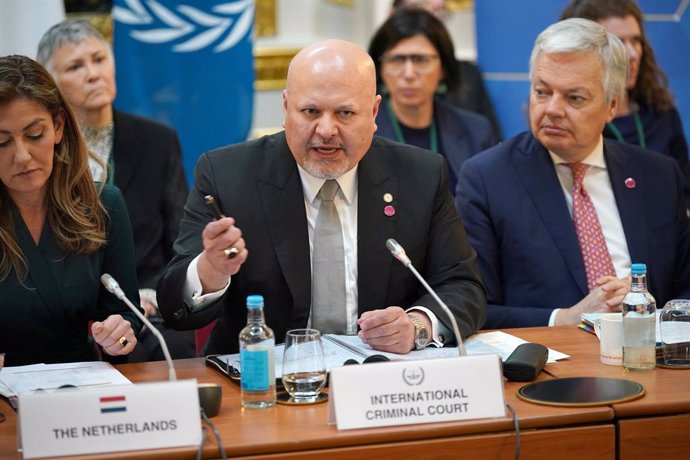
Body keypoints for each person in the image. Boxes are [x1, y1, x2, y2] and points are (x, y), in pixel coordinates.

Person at [157, 39, 486, 355]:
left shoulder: (421, 175)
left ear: (373, 113)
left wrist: (416, 326)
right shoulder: (226, 174)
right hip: (263, 383)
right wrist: (210, 271)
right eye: (311, 111)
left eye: (344, 113)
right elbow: (176, 312)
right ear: (286, 108)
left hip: (379, 380)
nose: (326, 130)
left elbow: (463, 288)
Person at [455, 19, 690, 329]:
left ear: (611, 106)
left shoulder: (657, 176)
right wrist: (564, 318)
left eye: (574, 98)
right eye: (542, 91)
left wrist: (652, 317)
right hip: (551, 366)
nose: (552, 108)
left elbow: (684, 288)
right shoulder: (487, 179)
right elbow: (471, 307)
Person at [36, 20, 195, 361]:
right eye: (76, 66)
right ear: (51, 84)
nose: (93, 73)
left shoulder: (157, 141)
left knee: (175, 346)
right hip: (68, 315)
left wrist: (153, 295)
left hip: (145, 310)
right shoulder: (40, 152)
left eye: (99, 59)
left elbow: (182, 242)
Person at [0, 55, 141, 366]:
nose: (22, 157)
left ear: (59, 126)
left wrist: (119, 336)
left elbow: (126, 315)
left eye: (35, 135)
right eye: (2, 142)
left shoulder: (104, 205)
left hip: (81, 389)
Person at [561, 0, 690, 206]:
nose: (632, 54)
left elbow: (684, 193)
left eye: (636, 40)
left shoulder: (661, 112)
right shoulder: (568, 124)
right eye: (618, 42)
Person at [369, 8, 497, 196]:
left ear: (444, 67)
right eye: (397, 59)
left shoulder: (476, 132)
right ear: (379, 68)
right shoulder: (361, 131)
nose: (409, 74)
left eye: (421, 60)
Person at [391, 0, 502, 140]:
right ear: (392, 14)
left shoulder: (467, 76)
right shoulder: (367, 77)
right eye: (420, 9)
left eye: (439, 11)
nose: (409, 74)